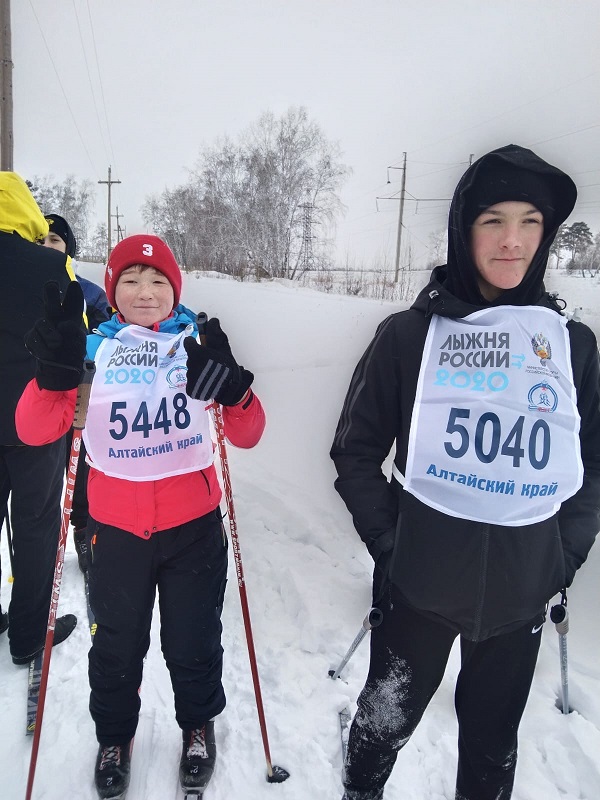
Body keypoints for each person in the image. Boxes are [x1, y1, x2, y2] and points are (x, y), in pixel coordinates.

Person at [330, 144, 600, 800]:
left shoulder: (572, 346)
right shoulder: (409, 337)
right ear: (463, 228)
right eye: (493, 221)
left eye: (531, 221)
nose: (513, 241)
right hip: (418, 590)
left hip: (518, 598)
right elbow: (357, 452)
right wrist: (396, 548)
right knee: (380, 726)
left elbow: (591, 466)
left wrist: (560, 557)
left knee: (491, 751)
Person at [16, 234, 265, 799]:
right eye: (130, 280)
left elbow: (249, 433)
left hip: (193, 529)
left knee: (193, 641)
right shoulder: (93, 350)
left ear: (174, 288)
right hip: (116, 531)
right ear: (112, 290)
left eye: (157, 281)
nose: (145, 291)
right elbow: (34, 429)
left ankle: (197, 726)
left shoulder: (195, 345)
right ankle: (114, 736)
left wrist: (234, 391)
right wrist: (50, 374)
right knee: (117, 645)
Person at [0, 172, 78, 665]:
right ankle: (29, 633)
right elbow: (73, 341)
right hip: (34, 421)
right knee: (36, 526)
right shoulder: (50, 265)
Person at [42, 213, 111, 571]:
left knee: (80, 468)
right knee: (40, 481)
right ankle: (41, 547)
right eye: (41, 240)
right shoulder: (22, 285)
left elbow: (109, 337)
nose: (47, 246)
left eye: (55, 240)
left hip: (80, 396)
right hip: (37, 398)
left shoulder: (88, 292)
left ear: (69, 247)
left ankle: (83, 534)